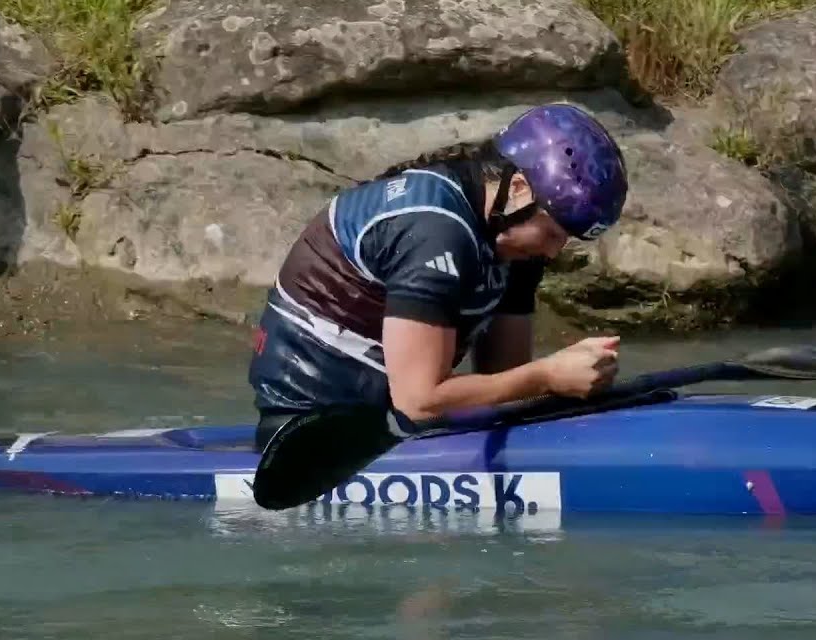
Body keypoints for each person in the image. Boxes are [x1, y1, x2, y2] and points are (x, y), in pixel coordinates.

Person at [247, 103, 630, 451]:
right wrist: (549, 375)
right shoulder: (436, 230)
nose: (553, 252)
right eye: (552, 233)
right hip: (304, 439)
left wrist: (572, 381)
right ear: (517, 189)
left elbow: (507, 383)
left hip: (386, 423)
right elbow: (419, 403)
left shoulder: (514, 240)